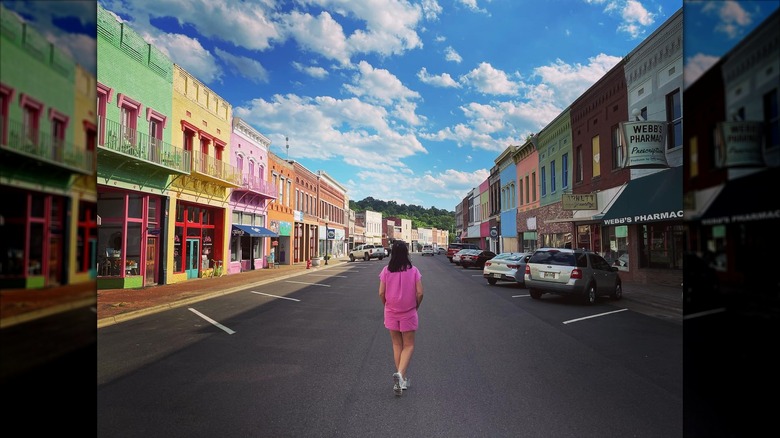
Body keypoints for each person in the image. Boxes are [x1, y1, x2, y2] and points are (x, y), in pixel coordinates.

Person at [379, 240, 424, 396]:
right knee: (409, 345)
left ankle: (401, 379)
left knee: (397, 344)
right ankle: (401, 375)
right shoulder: (413, 271)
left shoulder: (386, 271)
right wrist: (416, 305)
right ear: (406, 253)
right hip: (409, 311)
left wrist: (387, 305)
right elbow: (420, 292)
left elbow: (381, 293)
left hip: (391, 311)